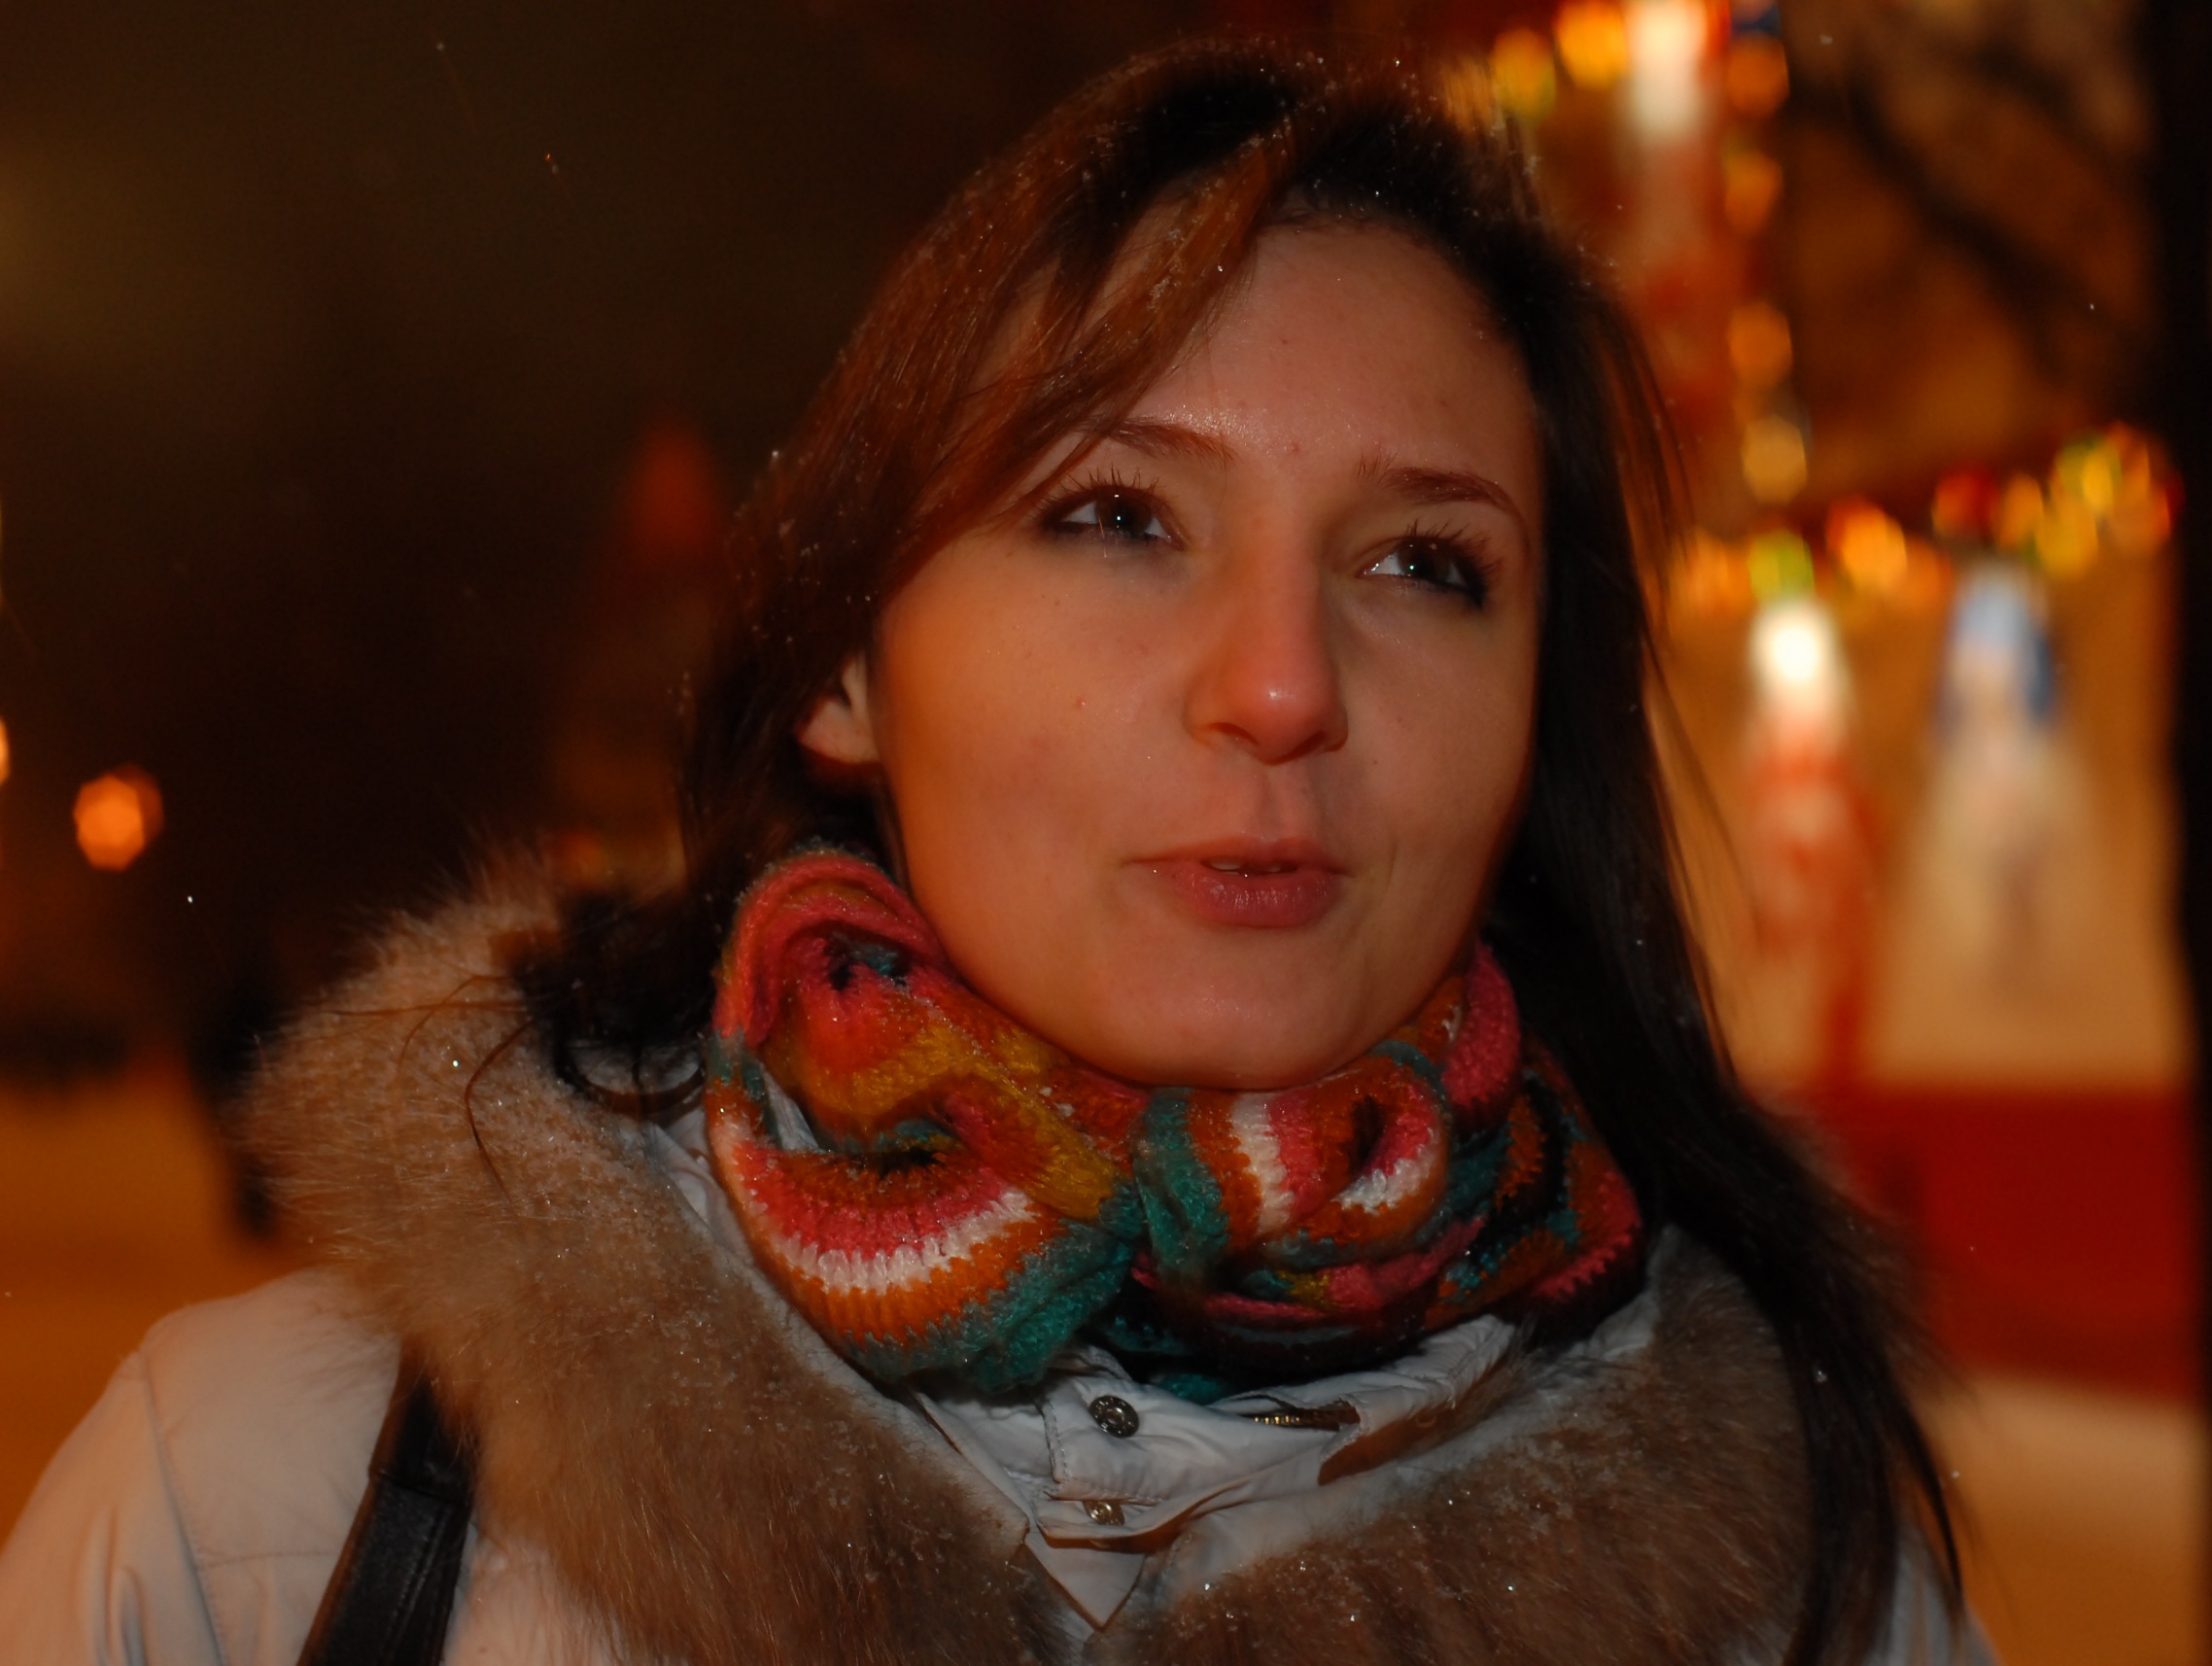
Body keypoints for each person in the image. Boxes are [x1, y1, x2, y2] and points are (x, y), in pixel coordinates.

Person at [0, 40, 1988, 1666]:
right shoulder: (270, 1511)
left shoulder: (1804, 1592)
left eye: (1422, 562)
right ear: (846, 662)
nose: (1282, 684)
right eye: (1117, 517)